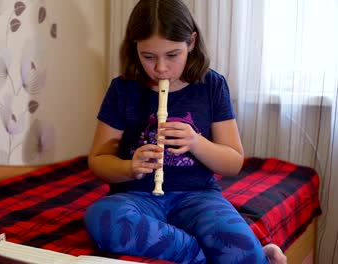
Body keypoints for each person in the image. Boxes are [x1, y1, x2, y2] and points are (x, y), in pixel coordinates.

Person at [83, 0, 287, 263]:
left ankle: (247, 250)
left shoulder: (211, 85)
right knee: (101, 218)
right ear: (135, 47)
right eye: (148, 56)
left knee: (237, 243)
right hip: (136, 197)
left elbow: (233, 162)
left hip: (197, 197)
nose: (160, 68)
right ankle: (198, 253)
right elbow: (98, 160)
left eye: (172, 55)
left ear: (191, 42)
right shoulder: (123, 89)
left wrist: (196, 142)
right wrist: (129, 168)